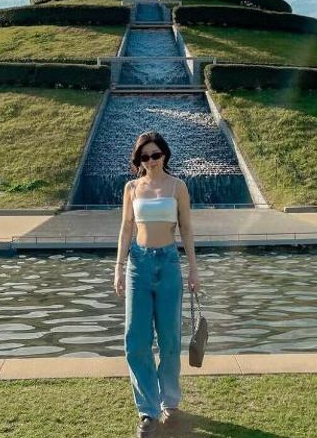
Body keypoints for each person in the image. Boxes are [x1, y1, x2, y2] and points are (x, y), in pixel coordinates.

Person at [113, 131, 200, 438]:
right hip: (138, 264)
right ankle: (147, 410)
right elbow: (125, 228)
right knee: (135, 339)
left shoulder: (178, 186)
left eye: (155, 155)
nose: (150, 161)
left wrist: (193, 268)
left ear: (164, 155)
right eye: (144, 157)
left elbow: (187, 228)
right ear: (139, 160)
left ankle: (170, 402)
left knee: (169, 338)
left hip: (168, 264)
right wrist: (119, 267)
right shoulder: (132, 188)